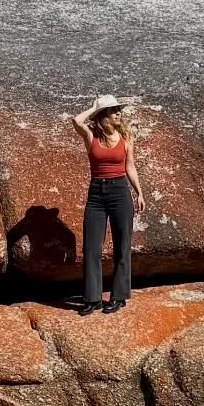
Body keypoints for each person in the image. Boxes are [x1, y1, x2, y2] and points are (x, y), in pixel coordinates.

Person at [69, 94, 146, 314]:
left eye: (118, 110)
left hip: (120, 192)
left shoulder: (126, 137)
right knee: (92, 247)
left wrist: (139, 193)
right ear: (104, 116)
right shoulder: (91, 135)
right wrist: (94, 107)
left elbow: (130, 167)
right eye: (114, 111)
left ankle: (118, 296)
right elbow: (76, 121)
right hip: (96, 194)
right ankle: (92, 298)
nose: (119, 113)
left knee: (123, 245)